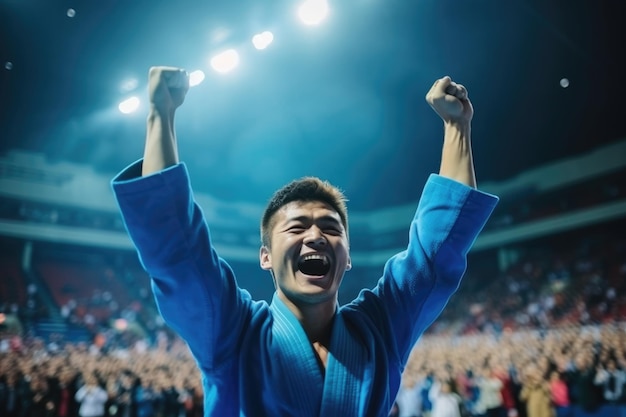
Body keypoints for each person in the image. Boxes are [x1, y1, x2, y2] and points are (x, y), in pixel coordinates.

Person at [111, 66, 499, 416]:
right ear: (265, 256)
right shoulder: (233, 332)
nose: (316, 236)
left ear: (347, 257)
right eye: (296, 228)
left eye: (331, 228)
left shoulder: (379, 331)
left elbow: (436, 253)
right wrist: (160, 114)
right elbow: (178, 254)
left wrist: (457, 128)